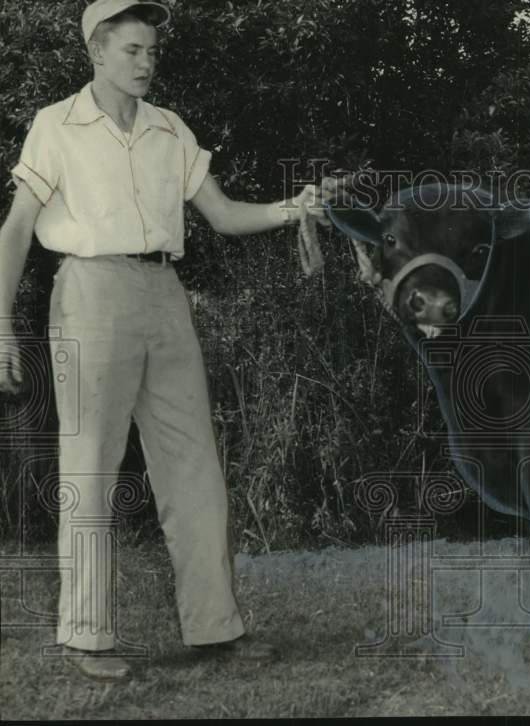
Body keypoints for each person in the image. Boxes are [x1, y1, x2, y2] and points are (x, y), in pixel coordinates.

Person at [0, 0, 331, 682]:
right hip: (90, 293)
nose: (147, 62)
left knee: (195, 465)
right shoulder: (55, 126)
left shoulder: (169, 129)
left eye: (153, 51)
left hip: (165, 294)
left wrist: (293, 209)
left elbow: (223, 214)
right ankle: (86, 636)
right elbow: (14, 230)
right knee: (89, 465)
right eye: (132, 50)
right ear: (97, 50)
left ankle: (216, 628)